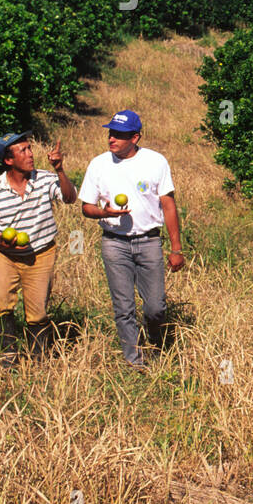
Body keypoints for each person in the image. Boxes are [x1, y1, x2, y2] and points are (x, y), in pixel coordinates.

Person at [79, 110, 184, 369]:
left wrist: (176, 248)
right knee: (124, 306)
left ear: (135, 137)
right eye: (110, 133)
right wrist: (104, 212)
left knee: (156, 308)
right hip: (114, 242)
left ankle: (157, 344)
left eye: (119, 135)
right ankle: (134, 361)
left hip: (149, 241)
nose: (111, 138)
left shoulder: (156, 161)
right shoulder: (98, 164)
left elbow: (168, 205)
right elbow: (86, 207)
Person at [0, 132, 78, 367]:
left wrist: (60, 170)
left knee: (37, 310)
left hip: (41, 253)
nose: (31, 154)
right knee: (0, 302)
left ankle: (38, 359)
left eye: (29, 148)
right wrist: (0, 240)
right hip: (5, 255)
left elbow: (70, 198)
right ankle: (9, 355)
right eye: (23, 150)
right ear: (8, 160)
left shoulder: (44, 179)